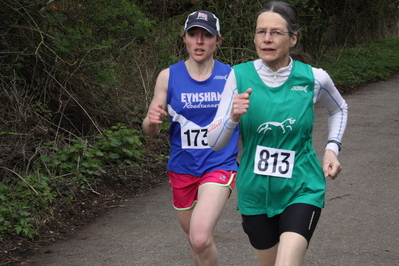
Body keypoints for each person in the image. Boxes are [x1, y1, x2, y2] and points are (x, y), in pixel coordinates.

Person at [207, 1, 348, 265]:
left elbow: (339, 109)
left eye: (276, 32)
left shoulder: (315, 79)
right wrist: (232, 117)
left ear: (293, 38)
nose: (267, 39)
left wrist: (332, 148)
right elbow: (214, 143)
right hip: (255, 192)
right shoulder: (237, 76)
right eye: (261, 32)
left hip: (302, 187)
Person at [142, 10, 239, 265]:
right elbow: (149, 129)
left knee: (199, 238)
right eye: (193, 34)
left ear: (217, 40)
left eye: (206, 36)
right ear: (184, 38)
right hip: (182, 168)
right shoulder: (168, 76)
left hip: (219, 165)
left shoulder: (231, 76)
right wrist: (151, 121)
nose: (199, 41)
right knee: (196, 243)